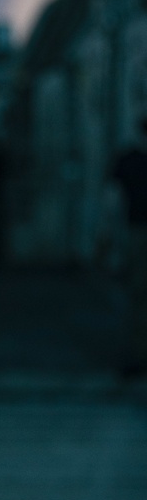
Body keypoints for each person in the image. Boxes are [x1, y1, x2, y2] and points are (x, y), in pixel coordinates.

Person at [111, 118, 147, 378]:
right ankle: (136, 356)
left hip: (137, 232)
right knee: (138, 296)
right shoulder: (130, 161)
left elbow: (112, 200)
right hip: (137, 232)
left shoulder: (129, 161)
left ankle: (135, 357)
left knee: (137, 297)